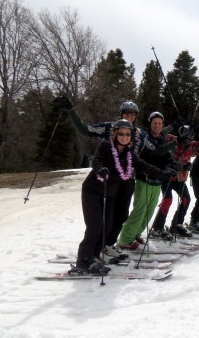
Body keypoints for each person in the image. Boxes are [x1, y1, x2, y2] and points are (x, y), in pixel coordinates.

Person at [56, 98, 172, 258]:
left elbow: (157, 151)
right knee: (102, 219)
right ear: (121, 114)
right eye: (126, 113)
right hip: (108, 178)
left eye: (132, 114)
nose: (129, 117)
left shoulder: (140, 134)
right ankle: (95, 248)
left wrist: (175, 148)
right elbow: (84, 129)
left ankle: (109, 244)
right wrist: (71, 111)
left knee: (121, 215)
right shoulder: (111, 128)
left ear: (136, 116)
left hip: (128, 179)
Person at [72, 120, 174, 275]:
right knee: (95, 226)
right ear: (115, 134)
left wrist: (165, 173)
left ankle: (94, 257)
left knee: (107, 227)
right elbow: (97, 160)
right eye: (121, 133)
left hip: (110, 193)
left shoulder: (129, 154)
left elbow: (145, 167)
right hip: (92, 190)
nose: (124, 137)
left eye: (128, 134)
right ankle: (83, 261)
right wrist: (100, 170)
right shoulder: (106, 146)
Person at [117, 112, 178, 249]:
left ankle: (136, 234)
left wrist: (174, 165)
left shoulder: (162, 139)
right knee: (139, 210)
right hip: (144, 178)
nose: (157, 126)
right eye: (154, 123)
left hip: (157, 181)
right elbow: (152, 156)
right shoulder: (145, 138)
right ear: (150, 124)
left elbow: (166, 157)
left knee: (149, 212)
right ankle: (125, 239)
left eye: (160, 123)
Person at [150, 123, 199, 239]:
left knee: (186, 199)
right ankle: (157, 227)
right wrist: (172, 126)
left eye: (188, 138)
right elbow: (161, 134)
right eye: (184, 137)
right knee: (167, 200)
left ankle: (177, 224)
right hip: (167, 177)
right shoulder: (172, 139)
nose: (185, 140)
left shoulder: (192, 145)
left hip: (180, 179)